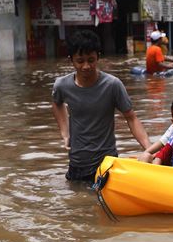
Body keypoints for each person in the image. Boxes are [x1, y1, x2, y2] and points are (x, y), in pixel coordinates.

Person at [52, 30, 150, 181]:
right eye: (80, 61)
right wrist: (65, 133)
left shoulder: (112, 85)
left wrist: (149, 149)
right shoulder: (62, 85)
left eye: (91, 60)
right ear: (71, 60)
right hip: (77, 163)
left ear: (98, 56)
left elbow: (131, 118)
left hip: (106, 164)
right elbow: (56, 104)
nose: (86, 66)